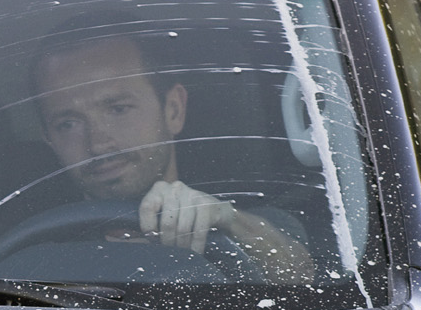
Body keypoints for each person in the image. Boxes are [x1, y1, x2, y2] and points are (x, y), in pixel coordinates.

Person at [30, 26, 318, 281]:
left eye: (118, 109)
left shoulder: (254, 227)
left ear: (173, 110)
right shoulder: (35, 263)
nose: (97, 144)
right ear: (49, 139)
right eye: (67, 124)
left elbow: (305, 280)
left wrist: (229, 223)